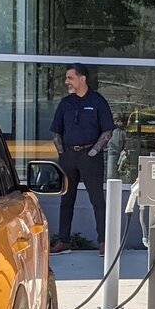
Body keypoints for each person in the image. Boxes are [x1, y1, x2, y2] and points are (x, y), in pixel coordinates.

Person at [49, 64, 114, 251]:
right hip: (68, 157)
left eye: (70, 78)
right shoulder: (65, 103)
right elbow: (56, 132)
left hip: (90, 157)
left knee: (97, 200)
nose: (66, 81)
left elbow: (107, 130)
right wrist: (62, 153)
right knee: (66, 200)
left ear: (82, 79)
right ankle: (64, 241)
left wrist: (93, 152)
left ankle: (104, 241)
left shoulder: (98, 101)